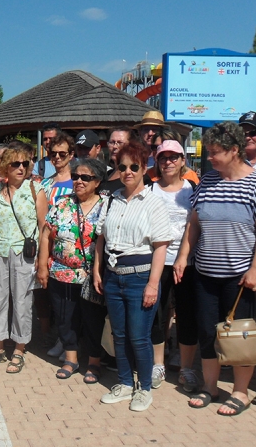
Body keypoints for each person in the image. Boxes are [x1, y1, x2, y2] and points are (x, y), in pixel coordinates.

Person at [174, 121, 256, 416]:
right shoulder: (207, 182)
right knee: (208, 332)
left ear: (234, 151)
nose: (210, 158)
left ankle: (241, 392)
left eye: (215, 152)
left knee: (242, 336)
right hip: (206, 275)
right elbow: (193, 225)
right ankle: (211, 386)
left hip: (241, 277)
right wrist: (184, 256)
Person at [94, 140, 172, 412]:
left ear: (144, 167)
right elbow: (101, 238)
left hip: (140, 277)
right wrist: (97, 270)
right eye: (122, 166)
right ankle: (125, 383)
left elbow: (161, 246)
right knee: (119, 334)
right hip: (113, 276)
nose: (128, 171)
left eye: (134, 166)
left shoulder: (153, 202)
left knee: (139, 336)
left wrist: (153, 284)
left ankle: (145, 388)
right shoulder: (112, 200)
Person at [0, 142, 48, 373]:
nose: (21, 168)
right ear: (5, 166)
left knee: (22, 302)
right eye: (15, 164)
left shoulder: (36, 190)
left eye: (25, 163)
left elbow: (44, 228)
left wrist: (42, 261)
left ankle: (19, 349)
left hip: (24, 254)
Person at [39, 157, 110, 381]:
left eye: (85, 177)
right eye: (76, 176)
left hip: (92, 276)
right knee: (65, 318)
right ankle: (71, 359)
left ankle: (94, 362)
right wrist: (42, 266)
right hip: (61, 272)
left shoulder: (106, 205)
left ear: (97, 181)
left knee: (92, 320)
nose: (79, 181)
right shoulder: (62, 204)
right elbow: (45, 235)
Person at [149, 140, 199, 392]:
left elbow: (198, 226)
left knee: (187, 317)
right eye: (163, 157)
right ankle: (158, 364)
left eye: (173, 157)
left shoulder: (193, 190)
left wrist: (186, 256)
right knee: (157, 316)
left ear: (182, 161)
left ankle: (186, 368)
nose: (168, 162)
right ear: (157, 161)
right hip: (158, 264)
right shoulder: (149, 190)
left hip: (187, 264)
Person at [40, 132, 77, 359]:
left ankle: (71, 343)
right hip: (50, 248)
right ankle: (61, 339)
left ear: (71, 155)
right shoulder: (45, 184)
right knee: (57, 300)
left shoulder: (79, 180)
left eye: (62, 153)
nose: (57, 157)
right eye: (53, 153)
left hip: (73, 250)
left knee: (72, 301)